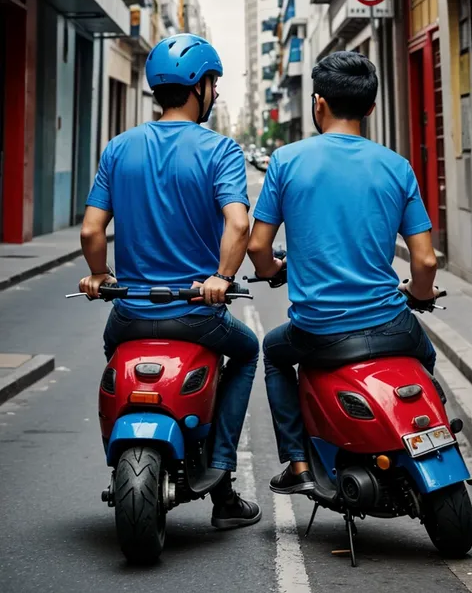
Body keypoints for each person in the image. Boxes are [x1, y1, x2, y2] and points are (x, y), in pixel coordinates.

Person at [79, 33, 261, 528]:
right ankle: (222, 476)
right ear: (198, 86)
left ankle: (121, 438)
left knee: (114, 351)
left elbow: (92, 228)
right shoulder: (220, 150)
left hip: (131, 314)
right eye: (214, 83)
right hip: (196, 314)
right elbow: (239, 224)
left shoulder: (119, 149)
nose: (217, 93)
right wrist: (222, 278)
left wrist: (100, 274)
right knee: (246, 352)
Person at [248, 51, 439, 496]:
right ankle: (430, 434)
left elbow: (258, 247)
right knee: (424, 359)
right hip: (392, 324)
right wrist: (419, 294)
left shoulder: (286, 160)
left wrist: (274, 269)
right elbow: (425, 262)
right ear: (371, 108)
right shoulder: (397, 166)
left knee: (274, 353)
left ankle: (297, 463)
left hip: (318, 329)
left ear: (318, 104)